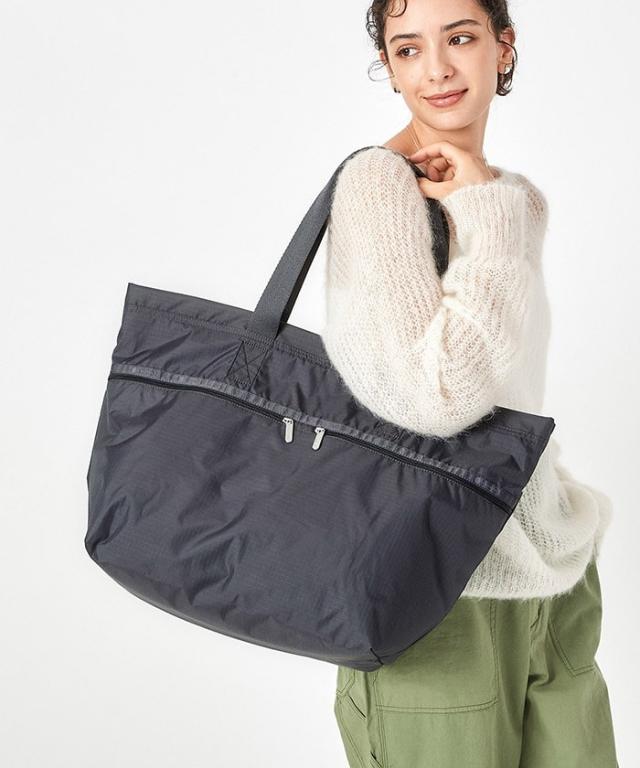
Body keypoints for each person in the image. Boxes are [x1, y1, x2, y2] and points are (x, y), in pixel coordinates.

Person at [321, 1, 619, 765]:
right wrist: (484, 214)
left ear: (503, 46)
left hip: (550, 575)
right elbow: (436, 397)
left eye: (460, 38)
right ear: (388, 68)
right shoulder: (377, 188)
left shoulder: (507, 197)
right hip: (438, 597)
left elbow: (510, 388)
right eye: (408, 49)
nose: (438, 69)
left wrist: (486, 205)